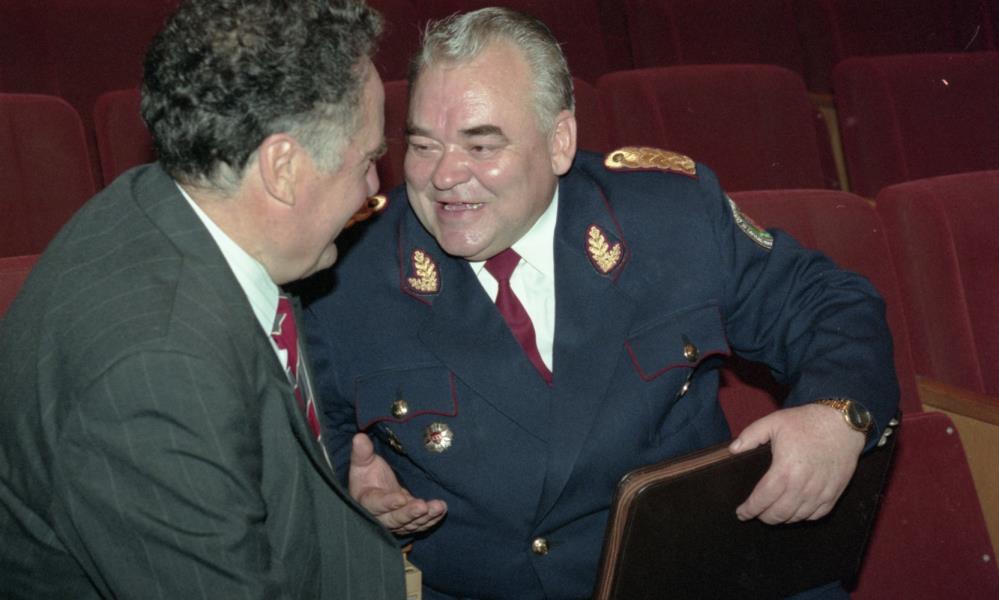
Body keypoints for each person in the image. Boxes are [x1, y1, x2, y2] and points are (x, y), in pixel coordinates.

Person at [303, 7, 899, 599]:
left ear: (559, 142)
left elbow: (828, 303)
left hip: (697, 575)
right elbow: (305, 475)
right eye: (423, 145)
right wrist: (352, 506)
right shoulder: (345, 275)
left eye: (481, 146)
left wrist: (835, 414)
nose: (444, 175)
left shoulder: (666, 217)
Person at [0, 0, 445, 597]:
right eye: (367, 160)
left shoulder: (175, 204)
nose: (373, 188)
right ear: (282, 168)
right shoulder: (157, 373)